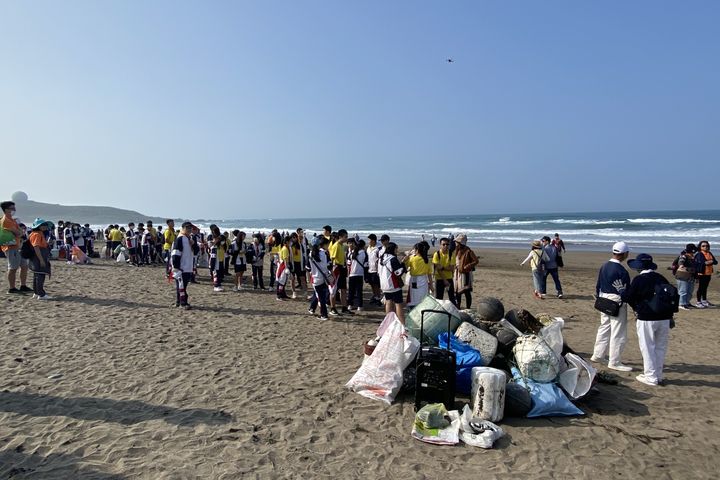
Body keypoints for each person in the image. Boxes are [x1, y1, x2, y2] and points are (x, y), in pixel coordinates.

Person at [625, 253, 674, 386]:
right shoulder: (661, 277)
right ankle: (658, 375)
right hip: (664, 316)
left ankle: (651, 376)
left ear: (639, 267)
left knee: (647, 347)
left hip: (646, 316)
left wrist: (636, 308)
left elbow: (629, 297)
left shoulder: (639, 280)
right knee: (660, 347)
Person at [591, 241, 633, 372]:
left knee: (604, 327)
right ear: (624, 254)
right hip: (616, 300)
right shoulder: (622, 271)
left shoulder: (604, 266)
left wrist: (598, 296)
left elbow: (598, 284)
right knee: (618, 332)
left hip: (603, 297)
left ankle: (598, 354)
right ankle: (614, 361)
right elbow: (625, 291)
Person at [1, 201, 32, 294]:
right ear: (6, 209)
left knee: (24, 266)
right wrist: (19, 232)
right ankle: (12, 288)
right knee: (13, 267)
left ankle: (23, 285)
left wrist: (19, 232)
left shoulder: (12, 220)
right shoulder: (6, 220)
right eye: (12, 208)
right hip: (10, 247)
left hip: (17, 246)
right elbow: (19, 232)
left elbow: (20, 231)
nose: (14, 210)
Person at [171, 222, 199, 309]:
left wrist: (193, 244)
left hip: (188, 266)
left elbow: (196, 251)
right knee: (181, 285)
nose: (189, 230)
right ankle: (182, 303)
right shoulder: (180, 239)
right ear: (183, 228)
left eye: (190, 228)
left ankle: (179, 302)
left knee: (183, 285)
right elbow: (175, 253)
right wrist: (176, 267)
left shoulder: (189, 238)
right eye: (187, 228)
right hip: (181, 267)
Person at [379, 242, 407, 324]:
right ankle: (402, 323)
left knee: (388, 302)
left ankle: (389, 323)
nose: (396, 251)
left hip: (384, 284)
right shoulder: (393, 259)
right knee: (398, 304)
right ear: (393, 249)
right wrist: (403, 263)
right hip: (393, 284)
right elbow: (398, 272)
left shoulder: (382, 258)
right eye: (396, 249)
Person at [308, 236, 333, 320]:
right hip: (324, 277)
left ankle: (323, 314)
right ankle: (319, 312)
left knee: (319, 296)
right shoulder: (324, 253)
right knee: (321, 296)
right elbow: (328, 266)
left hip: (315, 278)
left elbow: (308, 268)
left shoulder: (311, 254)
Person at [28, 218, 54, 300]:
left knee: (36, 275)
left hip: (36, 257)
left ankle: (36, 293)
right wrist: (41, 260)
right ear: (39, 226)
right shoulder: (37, 234)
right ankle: (41, 294)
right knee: (40, 275)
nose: (46, 227)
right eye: (44, 225)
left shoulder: (37, 233)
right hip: (38, 257)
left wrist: (47, 243)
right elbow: (36, 247)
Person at [329, 229, 351, 315]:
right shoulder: (336, 245)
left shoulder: (342, 246)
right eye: (345, 237)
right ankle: (332, 308)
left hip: (342, 268)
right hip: (336, 268)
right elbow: (332, 259)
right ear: (340, 237)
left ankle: (344, 307)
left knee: (343, 289)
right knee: (334, 289)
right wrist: (332, 272)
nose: (346, 238)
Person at [404, 241, 433, 307]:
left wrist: (406, 258)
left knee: (414, 296)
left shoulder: (413, 258)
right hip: (424, 279)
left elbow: (406, 267)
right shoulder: (426, 259)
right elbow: (429, 274)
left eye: (414, 249)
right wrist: (431, 285)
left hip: (414, 279)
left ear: (417, 250)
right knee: (423, 297)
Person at [453, 233, 478, 308]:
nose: (455, 243)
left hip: (465, 273)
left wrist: (466, 266)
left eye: (457, 242)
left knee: (466, 291)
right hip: (457, 273)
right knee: (457, 291)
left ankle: (468, 308)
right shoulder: (456, 250)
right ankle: (458, 307)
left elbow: (476, 261)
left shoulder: (468, 251)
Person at [672, 243, 698, 310]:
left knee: (690, 291)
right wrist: (681, 265)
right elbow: (681, 261)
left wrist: (696, 277)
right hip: (682, 276)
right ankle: (681, 304)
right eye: (693, 251)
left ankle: (687, 303)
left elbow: (695, 268)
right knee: (683, 291)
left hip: (691, 276)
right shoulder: (683, 256)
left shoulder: (693, 257)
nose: (693, 252)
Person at [346, 238, 368, 311]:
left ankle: (350, 305)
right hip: (360, 274)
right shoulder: (364, 253)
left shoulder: (351, 253)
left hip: (352, 274)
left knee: (351, 291)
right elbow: (366, 265)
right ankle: (360, 306)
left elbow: (348, 263)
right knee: (359, 291)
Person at [694, 240, 717, 308]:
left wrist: (710, 262)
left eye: (707, 246)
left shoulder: (709, 253)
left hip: (708, 273)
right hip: (701, 273)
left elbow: (715, 262)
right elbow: (702, 263)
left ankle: (704, 300)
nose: (705, 247)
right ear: (700, 247)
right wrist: (709, 262)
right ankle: (698, 302)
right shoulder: (699, 254)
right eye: (703, 246)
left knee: (705, 288)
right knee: (701, 288)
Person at [432, 237, 456, 303]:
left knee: (452, 298)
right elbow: (438, 269)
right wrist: (444, 280)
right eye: (444, 244)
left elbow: (451, 268)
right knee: (439, 298)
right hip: (439, 278)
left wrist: (442, 267)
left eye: (447, 244)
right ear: (440, 245)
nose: (445, 246)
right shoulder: (436, 254)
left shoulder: (451, 254)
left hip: (449, 278)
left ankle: (453, 312)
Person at [365, 234, 383, 306]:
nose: (368, 241)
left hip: (376, 270)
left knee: (376, 285)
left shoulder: (378, 248)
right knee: (372, 284)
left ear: (373, 240)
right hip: (370, 269)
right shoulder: (368, 248)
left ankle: (378, 298)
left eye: (369, 240)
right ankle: (375, 296)